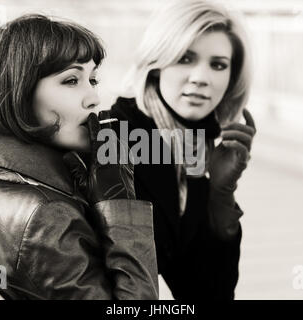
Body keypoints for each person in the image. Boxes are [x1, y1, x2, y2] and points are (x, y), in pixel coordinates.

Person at [0, 14, 158, 300]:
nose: (94, 98)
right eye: (71, 80)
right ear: (17, 91)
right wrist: (120, 204)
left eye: (93, 79)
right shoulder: (46, 215)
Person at [109, 0, 256, 299]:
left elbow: (205, 293)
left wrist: (219, 197)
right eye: (185, 59)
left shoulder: (193, 146)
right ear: (156, 65)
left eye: (218, 65)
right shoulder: (115, 140)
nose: (201, 77)